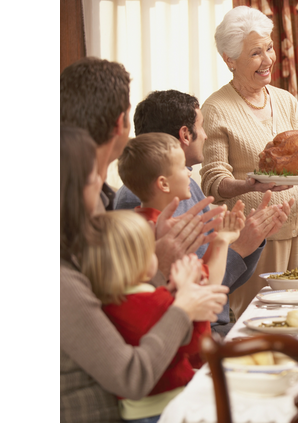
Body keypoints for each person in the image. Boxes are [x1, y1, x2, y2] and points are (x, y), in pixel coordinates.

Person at [60, 125, 229, 423]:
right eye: (93, 178)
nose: (102, 187)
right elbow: (132, 375)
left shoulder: (79, 248)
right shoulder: (63, 279)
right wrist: (183, 306)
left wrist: (155, 262)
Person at [200, 6, 298, 318]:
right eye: (255, 53)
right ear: (230, 60)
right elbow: (212, 180)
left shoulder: (285, 100)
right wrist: (247, 185)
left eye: (268, 48)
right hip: (255, 242)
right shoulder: (216, 109)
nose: (267, 60)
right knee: (258, 320)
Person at [114, 90, 291, 335]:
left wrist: (252, 240)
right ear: (185, 134)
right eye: (202, 126)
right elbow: (194, 287)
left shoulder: (188, 186)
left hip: (213, 325)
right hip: (188, 332)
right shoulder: (139, 197)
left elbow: (225, 282)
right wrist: (237, 248)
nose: (206, 135)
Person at [61, 57, 223, 282]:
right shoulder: (125, 197)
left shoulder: (89, 192)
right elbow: (115, 294)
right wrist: (159, 264)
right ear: (120, 123)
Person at [83, 211, 211, 423]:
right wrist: (194, 298)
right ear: (138, 261)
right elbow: (196, 344)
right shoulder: (155, 301)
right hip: (170, 405)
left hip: (133, 411)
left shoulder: (105, 303)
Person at [117, 133, 246, 288]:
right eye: (182, 166)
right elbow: (207, 284)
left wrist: (217, 237)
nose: (189, 172)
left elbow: (200, 269)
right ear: (164, 184)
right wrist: (222, 240)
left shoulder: (140, 223)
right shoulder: (163, 235)